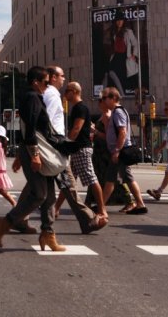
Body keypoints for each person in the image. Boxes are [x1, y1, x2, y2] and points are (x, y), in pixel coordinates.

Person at [0, 66, 66, 251]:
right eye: (45, 82)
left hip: (40, 151)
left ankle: (48, 234)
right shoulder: (32, 98)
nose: (48, 86)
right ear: (36, 82)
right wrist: (35, 155)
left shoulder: (35, 97)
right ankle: (6, 222)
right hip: (37, 151)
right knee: (40, 194)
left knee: (49, 197)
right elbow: (30, 130)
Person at [60, 81, 108, 228]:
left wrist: (66, 144)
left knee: (91, 178)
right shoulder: (76, 108)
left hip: (80, 148)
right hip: (76, 149)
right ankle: (55, 209)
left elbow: (76, 128)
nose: (64, 94)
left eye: (67, 91)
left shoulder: (80, 108)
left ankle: (102, 210)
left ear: (74, 91)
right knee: (67, 180)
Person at [100, 87, 147, 214]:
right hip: (119, 151)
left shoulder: (118, 112)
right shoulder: (115, 112)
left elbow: (122, 132)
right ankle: (140, 204)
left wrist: (116, 150)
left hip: (120, 151)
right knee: (127, 178)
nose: (103, 101)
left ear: (113, 98)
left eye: (105, 98)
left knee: (110, 179)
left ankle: (101, 206)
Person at [102, 11, 139, 94]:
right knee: (109, 72)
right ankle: (103, 94)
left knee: (121, 76)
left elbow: (135, 44)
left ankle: (122, 93)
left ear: (123, 21)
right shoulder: (113, 32)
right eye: (118, 20)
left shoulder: (128, 32)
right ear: (115, 22)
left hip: (124, 56)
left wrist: (134, 55)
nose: (119, 22)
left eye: (121, 20)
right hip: (116, 56)